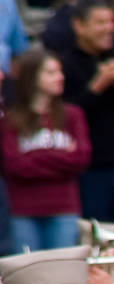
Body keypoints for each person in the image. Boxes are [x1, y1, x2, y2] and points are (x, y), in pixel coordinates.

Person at [54, 0, 114, 225]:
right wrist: (96, 87)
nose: (109, 28)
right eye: (100, 22)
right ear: (79, 25)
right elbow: (64, 116)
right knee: (100, 235)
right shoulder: (64, 65)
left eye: (110, 22)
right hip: (93, 170)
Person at [3, 51, 89, 252]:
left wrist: (35, 156)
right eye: (51, 72)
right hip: (23, 212)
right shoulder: (10, 121)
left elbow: (80, 159)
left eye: (59, 71)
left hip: (64, 208)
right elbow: (14, 166)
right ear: (32, 77)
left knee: (63, 273)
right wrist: (60, 156)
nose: (60, 77)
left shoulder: (72, 116)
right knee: (27, 273)